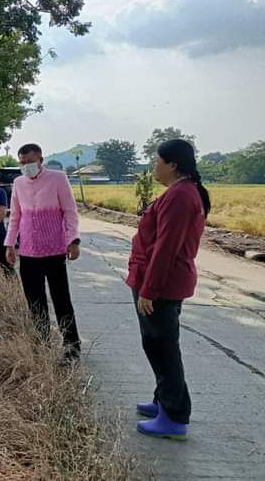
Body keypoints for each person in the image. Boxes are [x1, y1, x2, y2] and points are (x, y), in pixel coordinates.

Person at [127, 139, 210, 441]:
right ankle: (163, 400)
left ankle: (174, 416)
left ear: (172, 164)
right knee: (157, 344)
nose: (154, 167)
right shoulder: (179, 192)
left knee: (162, 348)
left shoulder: (180, 196)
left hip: (161, 284)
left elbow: (166, 248)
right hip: (157, 280)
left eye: (157, 161)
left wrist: (150, 289)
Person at [5, 144, 82, 361]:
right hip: (28, 252)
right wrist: (9, 244)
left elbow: (70, 212)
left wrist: (73, 240)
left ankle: (71, 346)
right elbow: (15, 217)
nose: (26, 166)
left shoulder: (58, 179)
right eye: (22, 162)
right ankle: (42, 344)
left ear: (41, 160)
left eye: (30, 161)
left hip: (54, 251)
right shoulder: (18, 183)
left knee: (61, 300)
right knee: (34, 302)